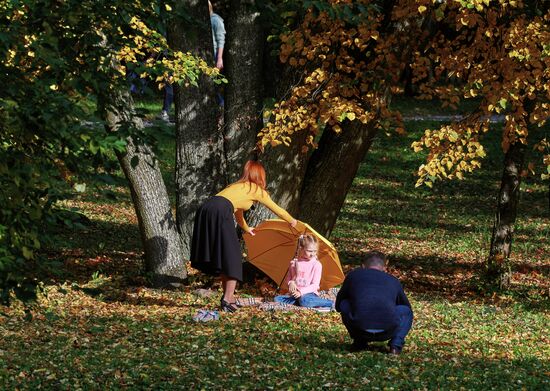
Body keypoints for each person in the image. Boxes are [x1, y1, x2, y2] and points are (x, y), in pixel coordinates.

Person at [190, 160, 297, 312]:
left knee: (225, 255)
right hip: (220, 211)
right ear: (261, 176)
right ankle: (227, 299)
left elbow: (238, 211)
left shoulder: (236, 187)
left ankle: (229, 297)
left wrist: (246, 228)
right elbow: (277, 209)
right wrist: (293, 221)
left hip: (207, 209)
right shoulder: (257, 190)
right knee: (233, 256)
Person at [336, 251, 413, 355]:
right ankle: (396, 345)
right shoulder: (393, 281)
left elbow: (339, 304)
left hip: (359, 328)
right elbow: (405, 306)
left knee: (345, 303)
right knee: (406, 311)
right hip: (388, 330)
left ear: (363, 266)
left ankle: (360, 341)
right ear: (384, 268)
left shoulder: (353, 276)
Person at [274, 234, 334, 309]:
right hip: (295, 295)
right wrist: (291, 283)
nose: (312, 254)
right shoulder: (294, 263)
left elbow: (315, 285)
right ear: (301, 248)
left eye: (315, 251)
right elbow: (289, 279)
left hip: (309, 294)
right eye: (309, 251)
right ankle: (300, 302)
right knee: (277, 299)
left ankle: (330, 303)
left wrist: (301, 292)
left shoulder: (316, 265)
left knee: (304, 300)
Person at [209, 1, 225, 107]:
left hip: (214, 54)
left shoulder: (216, 20)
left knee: (213, 83)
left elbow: (221, 40)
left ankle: (221, 105)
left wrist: (219, 58)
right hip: (206, 55)